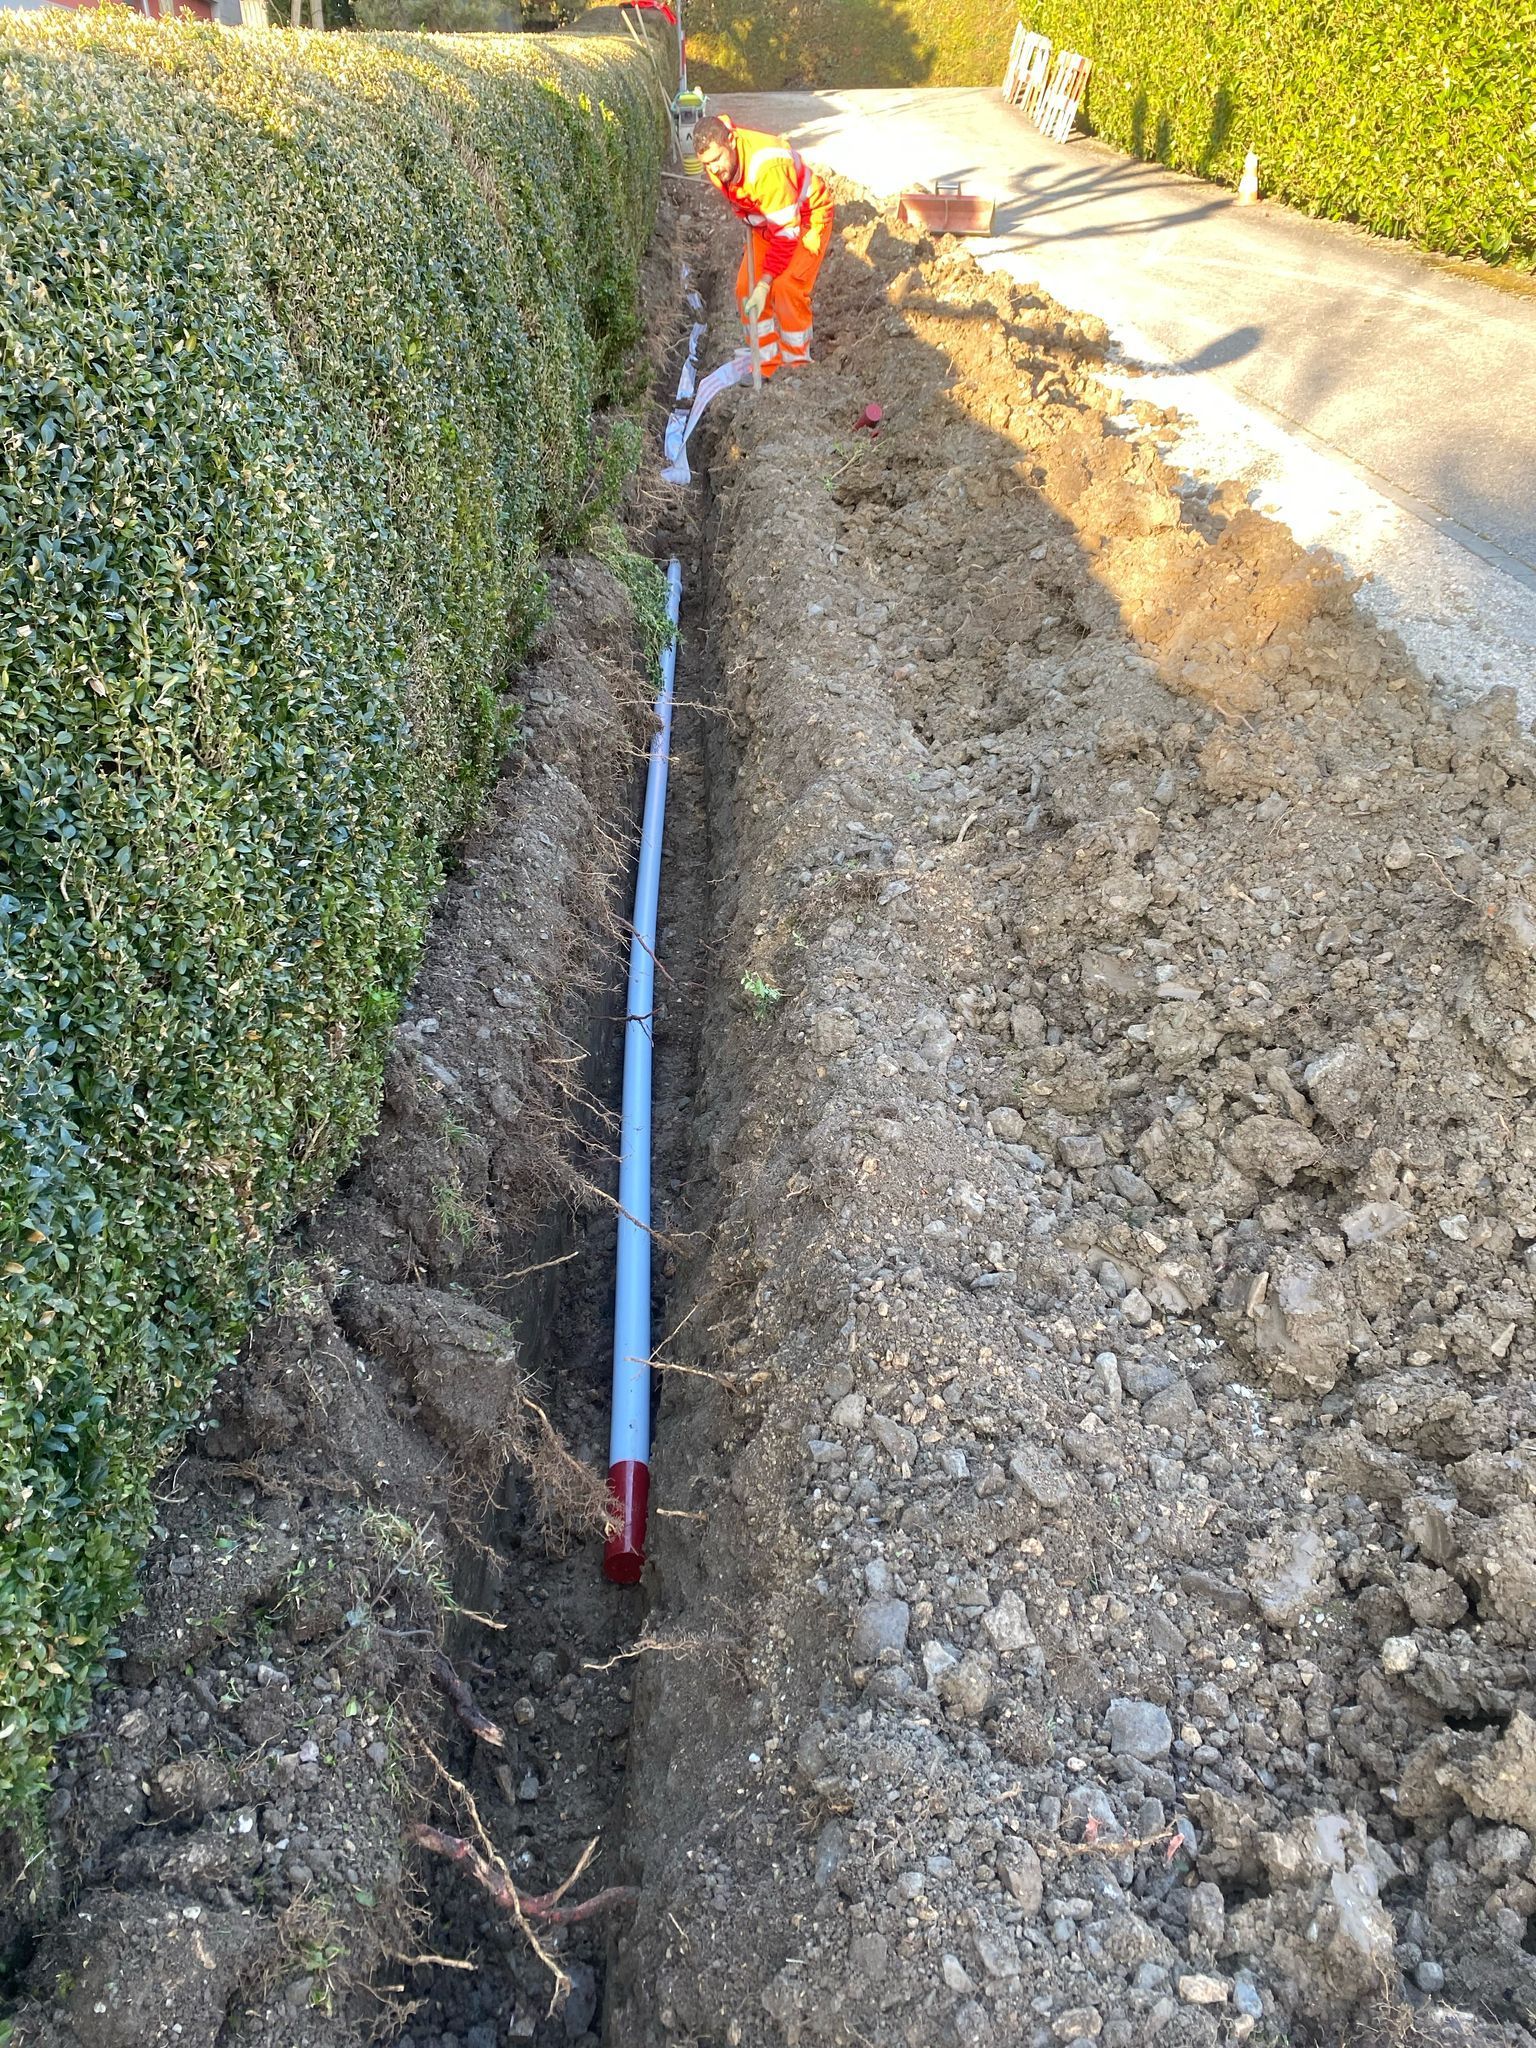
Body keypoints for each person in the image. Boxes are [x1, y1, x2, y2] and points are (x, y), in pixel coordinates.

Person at [694, 113, 834, 379]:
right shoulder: (718, 164)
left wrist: (765, 282)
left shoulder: (767, 170)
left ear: (731, 142)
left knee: (786, 286)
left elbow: (786, 234)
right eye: (706, 163)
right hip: (765, 223)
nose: (713, 169)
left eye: (716, 160)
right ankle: (766, 364)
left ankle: (797, 368)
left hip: (804, 217)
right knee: (745, 289)